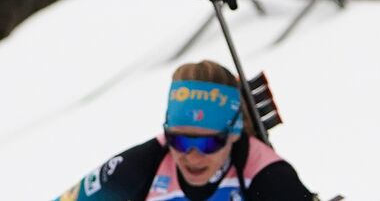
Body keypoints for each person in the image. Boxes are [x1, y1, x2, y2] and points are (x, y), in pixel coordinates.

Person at [52, 60, 314, 200]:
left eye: (208, 144)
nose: (192, 155)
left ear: (233, 133)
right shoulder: (139, 167)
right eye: (178, 140)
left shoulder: (267, 176)